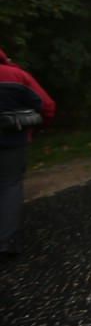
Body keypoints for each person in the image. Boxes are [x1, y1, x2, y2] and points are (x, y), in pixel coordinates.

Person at [0, 49, 55, 258]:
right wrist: (40, 127)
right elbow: (47, 106)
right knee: (9, 185)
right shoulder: (15, 75)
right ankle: (5, 241)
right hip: (11, 140)